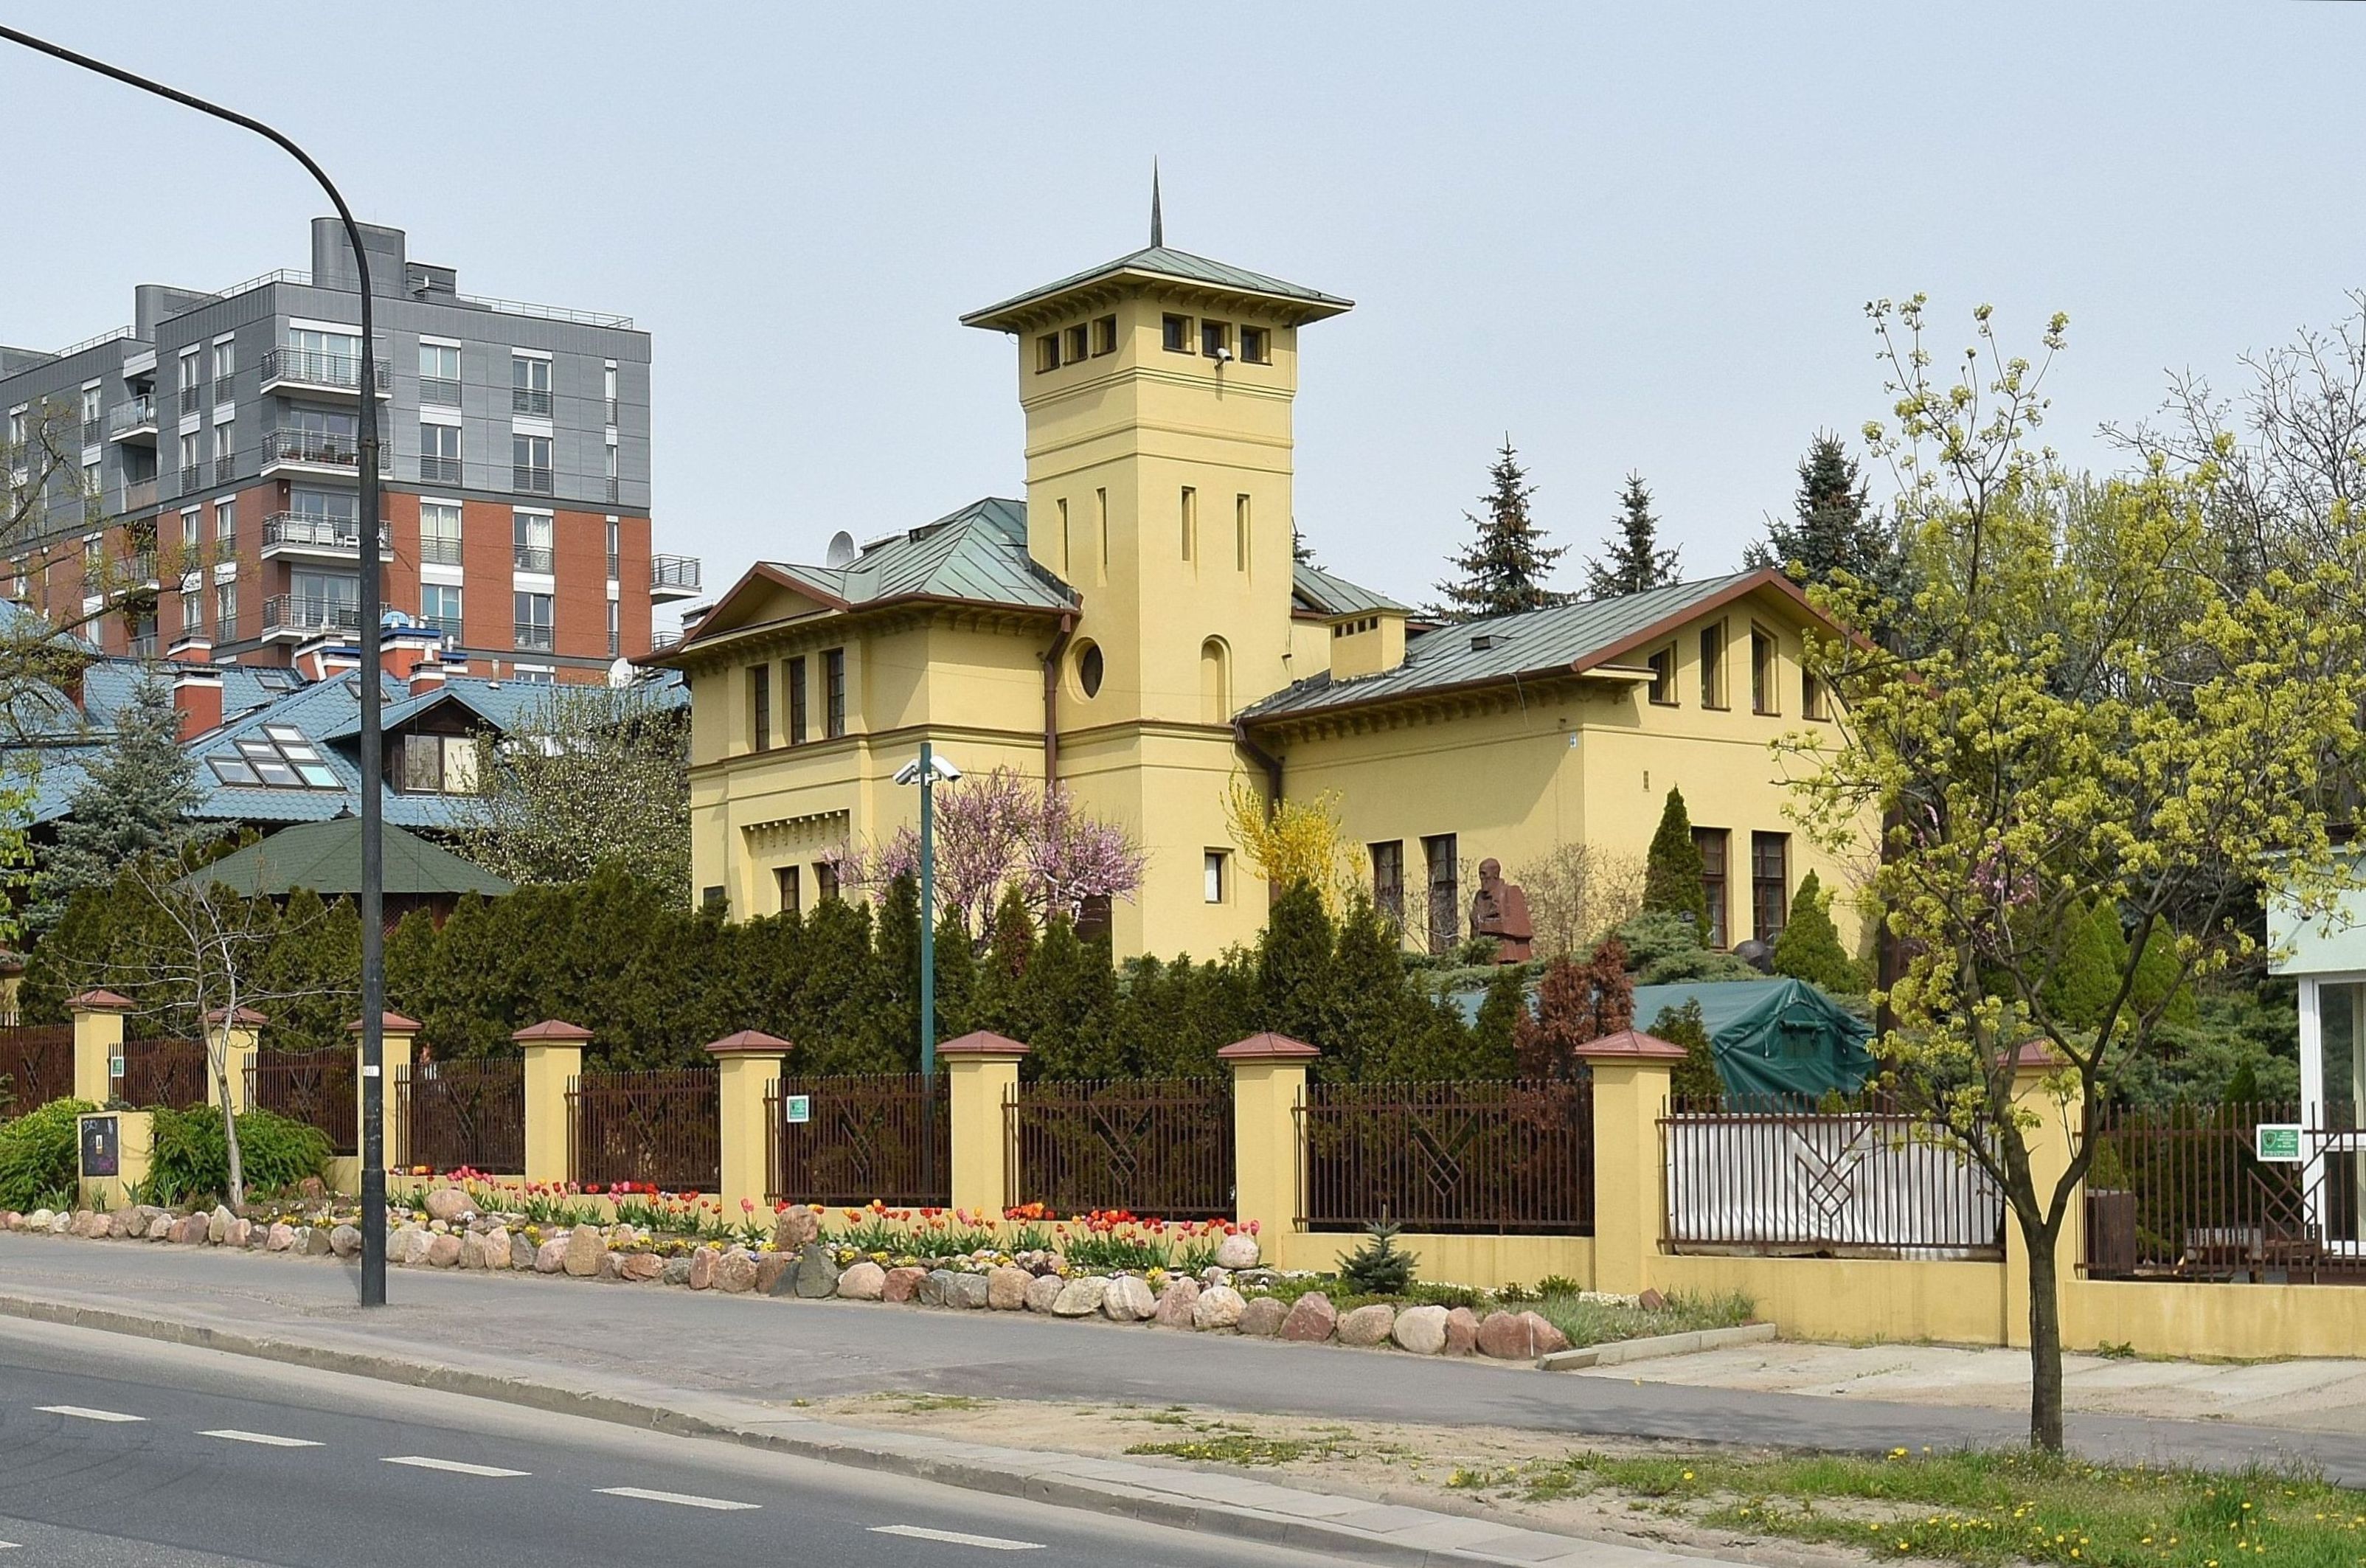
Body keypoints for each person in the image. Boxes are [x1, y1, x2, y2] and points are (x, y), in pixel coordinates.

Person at [1468, 857, 1533, 962]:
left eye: (1484, 874)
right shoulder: (1479, 897)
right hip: (1483, 956)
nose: (1482, 878)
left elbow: (1520, 927)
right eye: (1480, 874)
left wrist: (1485, 925)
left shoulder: (1510, 892)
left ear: (1495, 874)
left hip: (1507, 955)